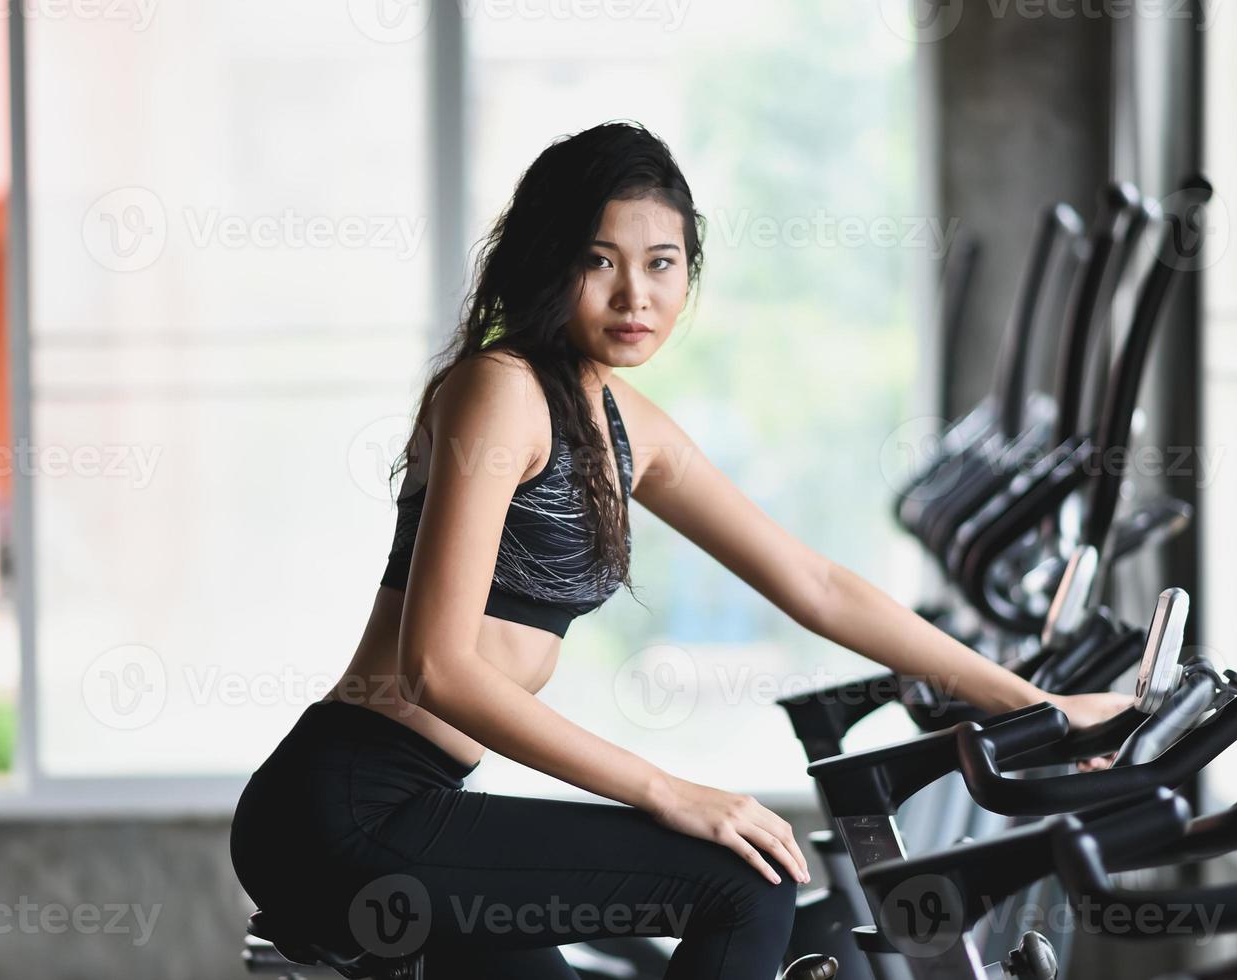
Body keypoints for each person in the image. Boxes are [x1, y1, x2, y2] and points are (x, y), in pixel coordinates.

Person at [228, 119, 1133, 980]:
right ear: (549, 262)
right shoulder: (497, 389)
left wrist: (1036, 704)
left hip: (414, 806)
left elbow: (816, 585)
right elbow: (437, 669)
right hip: (346, 812)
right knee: (747, 882)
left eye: (662, 265)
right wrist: (666, 790)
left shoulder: (627, 428)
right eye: (601, 262)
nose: (636, 296)